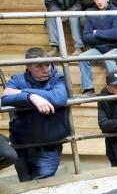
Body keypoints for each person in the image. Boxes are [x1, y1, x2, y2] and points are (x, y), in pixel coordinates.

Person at [2, 47, 69, 181]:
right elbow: (4, 99)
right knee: (25, 185)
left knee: (40, 189)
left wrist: (22, 92)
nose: (46, 69)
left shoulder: (58, 77)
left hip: (48, 147)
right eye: (39, 66)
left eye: (47, 64)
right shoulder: (17, 79)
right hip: (21, 146)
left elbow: (58, 97)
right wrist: (30, 97)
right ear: (28, 66)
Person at [79, 0, 117, 97]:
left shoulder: (116, 12)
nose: (99, 1)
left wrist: (97, 32)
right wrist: (106, 36)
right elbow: (86, 37)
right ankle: (88, 89)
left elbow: (116, 35)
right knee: (82, 58)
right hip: (99, 49)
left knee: (108, 58)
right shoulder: (91, 13)